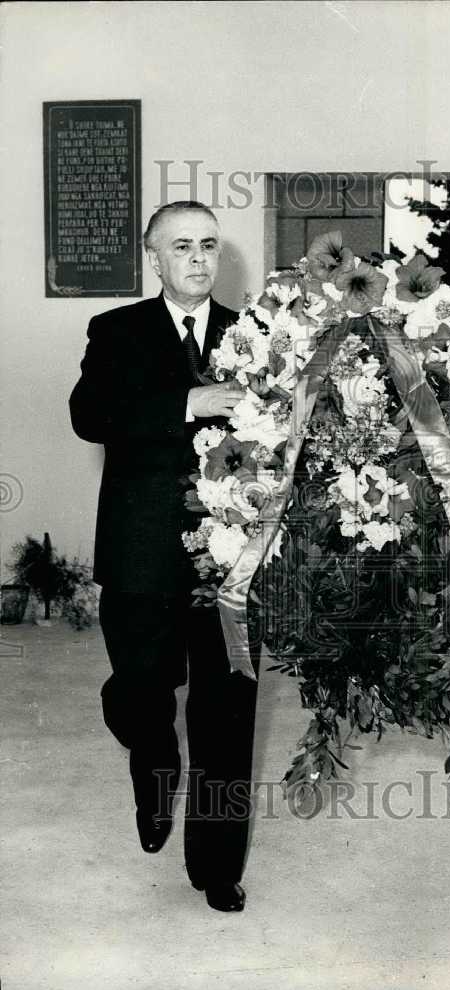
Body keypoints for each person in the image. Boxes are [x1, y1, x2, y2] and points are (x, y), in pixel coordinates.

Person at [70, 201, 256, 913]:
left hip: (233, 556)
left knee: (226, 710)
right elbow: (90, 415)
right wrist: (189, 401)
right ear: (154, 257)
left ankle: (217, 867)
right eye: (182, 247)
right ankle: (152, 762)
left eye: (209, 245)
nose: (199, 259)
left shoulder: (255, 335)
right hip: (141, 551)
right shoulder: (117, 331)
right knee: (144, 692)